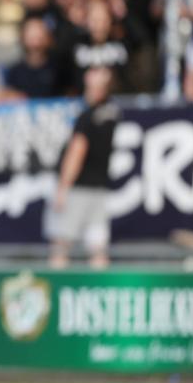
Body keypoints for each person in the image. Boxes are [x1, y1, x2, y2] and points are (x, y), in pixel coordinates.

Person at [50, 66, 119, 269]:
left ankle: (54, 294)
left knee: (61, 246)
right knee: (98, 250)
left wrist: (63, 187)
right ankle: (100, 293)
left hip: (78, 188)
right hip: (101, 188)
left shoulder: (87, 117)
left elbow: (77, 151)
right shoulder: (113, 113)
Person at [6, 18, 59, 98]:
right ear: (23, 38)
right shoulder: (15, 72)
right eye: (31, 38)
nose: (36, 43)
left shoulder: (59, 69)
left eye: (39, 37)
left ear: (48, 38)